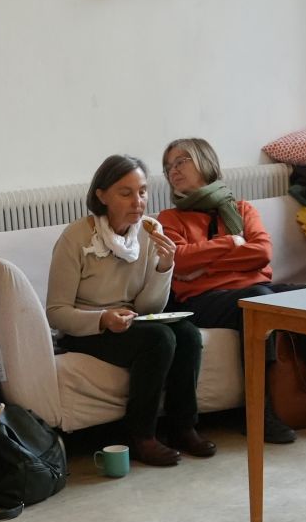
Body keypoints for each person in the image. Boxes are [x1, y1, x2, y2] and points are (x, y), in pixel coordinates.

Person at [158, 137, 306, 443]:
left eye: (180, 162)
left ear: (204, 162)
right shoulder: (169, 219)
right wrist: (231, 243)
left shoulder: (241, 209)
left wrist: (206, 263)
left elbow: (261, 253)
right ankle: (258, 411)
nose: (172, 170)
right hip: (202, 300)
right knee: (258, 301)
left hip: (254, 289)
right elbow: (181, 260)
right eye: (168, 167)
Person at [46, 154, 208, 468]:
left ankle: (183, 428)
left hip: (131, 320)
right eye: (126, 193)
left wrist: (165, 266)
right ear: (102, 196)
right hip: (84, 329)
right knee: (159, 339)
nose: (138, 202)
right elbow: (56, 312)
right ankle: (141, 436)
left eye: (143, 192)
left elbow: (148, 308)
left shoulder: (149, 231)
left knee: (187, 334)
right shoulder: (76, 237)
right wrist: (102, 319)